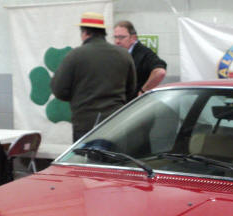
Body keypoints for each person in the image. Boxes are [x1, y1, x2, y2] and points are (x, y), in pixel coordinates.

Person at [51, 12, 136, 142]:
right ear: (103, 33)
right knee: (112, 156)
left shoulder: (75, 55)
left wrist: (78, 97)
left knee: (86, 155)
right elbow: (131, 90)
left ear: (85, 33)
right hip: (116, 122)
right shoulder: (124, 55)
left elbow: (59, 90)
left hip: (85, 123)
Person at [113, 20, 167, 100]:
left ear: (133, 38)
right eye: (115, 37)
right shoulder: (119, 53)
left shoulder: (144, 53)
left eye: (121, 37)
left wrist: (143, 91)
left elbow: (160, 72)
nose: (117, 41)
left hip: (135, 103)